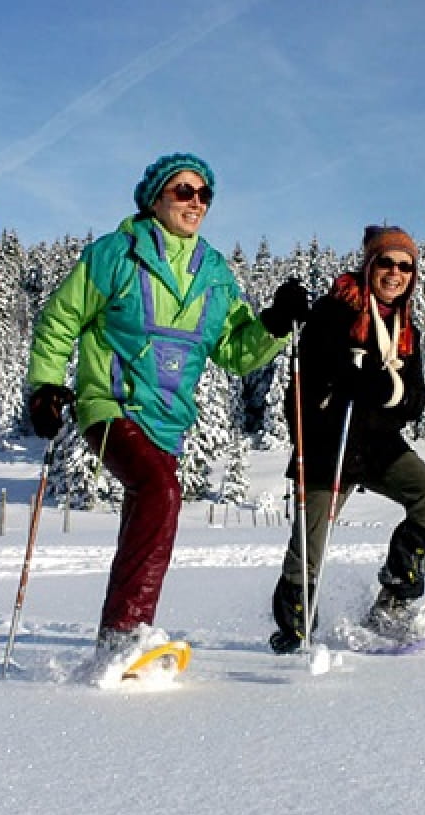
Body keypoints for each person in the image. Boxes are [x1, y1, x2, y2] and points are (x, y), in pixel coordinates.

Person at [25, 152, 310, 672]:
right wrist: (45, 384)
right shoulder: (115, 255)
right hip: (109, 405)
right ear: (155, 197)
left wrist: (273, 321)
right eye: (183, 191)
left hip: (168, 420)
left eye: (204, 194)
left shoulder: (216, 275)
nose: (195, 202)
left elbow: (234, 351)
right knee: (161, 492)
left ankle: (118, 636)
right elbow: (60, 318)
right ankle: (123, 633)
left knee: (152, 510)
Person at [269, 225, 425, 654]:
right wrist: (340, 383)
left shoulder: (407, 330)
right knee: (308, 550)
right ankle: (294, 634)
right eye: (386, 263)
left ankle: (392, 604)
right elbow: (307, 381)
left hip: (377, 442)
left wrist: (383, 390)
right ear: (369, 266)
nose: (395, 273)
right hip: (328, 443)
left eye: (405, 266)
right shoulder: (335, 312)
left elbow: (415, 400)